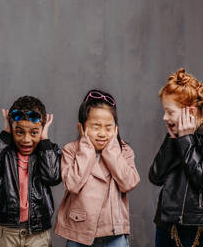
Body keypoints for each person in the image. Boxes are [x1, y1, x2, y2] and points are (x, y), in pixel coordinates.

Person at [149, 68, 203, 247]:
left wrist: (186, 139)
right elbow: (155, 177)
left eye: (170, 112)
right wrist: (173, 139)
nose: (164, 117)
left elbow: (201, 178)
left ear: (191, 113)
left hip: (194, 231)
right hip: (165, 224)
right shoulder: (176, 134)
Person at [55, 89, 140, 247]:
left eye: (108, 127)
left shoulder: (124, 151)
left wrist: (112, 151)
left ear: (116, 129)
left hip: (114, 232)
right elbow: (72, 184)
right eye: (95, 127)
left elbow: (128, 183)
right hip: (80, 231)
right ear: (81, 128)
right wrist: (86, 150)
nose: (102, 133)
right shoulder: (71, 150)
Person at [0, 95, 62, 247]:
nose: (26, 139)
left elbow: (52, 177)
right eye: (19, 132)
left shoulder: (47, 150)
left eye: (34, 133)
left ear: (42, 129)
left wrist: (45, 140)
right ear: (12, 129)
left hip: (38, 232)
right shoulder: (5, 151)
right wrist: (5, 133)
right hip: (7, 230)